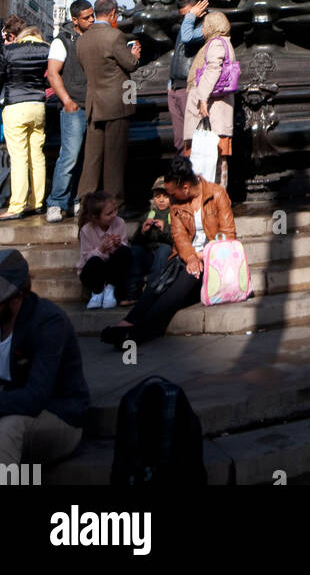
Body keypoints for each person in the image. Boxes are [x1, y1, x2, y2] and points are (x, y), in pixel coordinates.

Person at [101, 155, 238, 349]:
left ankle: (138, 333)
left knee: (181, 283)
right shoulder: (177, 204)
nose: (170, 197)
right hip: (187, 257)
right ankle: (129, 321)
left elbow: (228, 234)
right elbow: (179, 237)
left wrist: (203, 255)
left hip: (214, 259)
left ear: (185, 188)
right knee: (160, 281)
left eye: (173, 192)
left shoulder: (216, 194)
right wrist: (191, 256)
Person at [0, 249, 89, 470]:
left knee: (7, 430)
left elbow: (35, 397)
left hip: (60, 416)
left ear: (17, 296)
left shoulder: (49, 322)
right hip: (10, 406)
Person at [76, 0, 141, 210]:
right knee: (114, 156)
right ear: (113, 13)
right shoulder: (115, 36)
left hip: (94, 103)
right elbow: (130, 65)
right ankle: (114, 201)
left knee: (92, 156)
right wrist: (134, 54)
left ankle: (86, 199)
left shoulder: (82, 39)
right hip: (116, 103)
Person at [44, 0, 95, 223]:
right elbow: (53, 73)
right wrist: (67, 101)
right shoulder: (62, 41)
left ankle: (75, 200)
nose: (91, 20)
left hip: (92, 105)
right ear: (75, 20)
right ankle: (56, 202)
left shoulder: (91, 38)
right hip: (73, 105)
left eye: (92, 15)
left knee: (84, 157)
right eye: (86, 17)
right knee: (70, 156)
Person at [0, 19, 51, 221]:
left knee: (19, 157)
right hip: (38, 105)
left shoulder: (9, 51)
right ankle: (37, 202)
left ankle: (17, 205)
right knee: (37, 155)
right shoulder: (46, 49)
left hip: (15, 105)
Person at [184, 10, 237, 189]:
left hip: (211, 111)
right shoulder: (222, 42)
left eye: (205, 25)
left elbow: (214, 68)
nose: (203, 28)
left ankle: (212, 202)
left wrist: (202, 98)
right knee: (214, 158)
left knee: (210, 157)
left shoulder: (215, 43)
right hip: (215, 109)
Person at [76, 191, 133, 310]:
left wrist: (118, 244)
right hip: (94, 270)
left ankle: (110, 288)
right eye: (109, 213)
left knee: (125, 252)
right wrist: (101, 249)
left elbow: (124, 246)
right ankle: (97, 292)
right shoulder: (86, 230)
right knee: (94, 261)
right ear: (96, 218)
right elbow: (86, 257)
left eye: (115, 210)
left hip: (111, 267)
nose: (114, 215)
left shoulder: (119, 222)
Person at [167, 0, 207, 152]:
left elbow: (187, 38)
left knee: (192, 137)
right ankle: (183, 174)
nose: (184, 18)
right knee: (179, 139)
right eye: (183, 16)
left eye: (188, 14)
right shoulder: (187, 24)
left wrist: (191, 17)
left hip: (189, 88)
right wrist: (170, 85)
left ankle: (194, 174)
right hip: (175, 88)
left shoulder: (204, 25)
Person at [128, 178, 174, 299]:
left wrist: (164, 229)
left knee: (164, 248)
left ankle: (152, 287)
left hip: (167, 259)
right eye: (158, 196)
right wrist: (142, 232)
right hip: (150, 256)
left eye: (165, 196)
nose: (162, 200)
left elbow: (176, 241)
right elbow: (135, 241)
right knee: (136, 250)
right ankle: (133, 288)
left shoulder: (175, 215)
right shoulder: (148, 215)